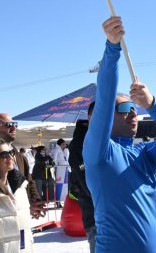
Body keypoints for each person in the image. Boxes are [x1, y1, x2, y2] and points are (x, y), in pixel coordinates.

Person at [83, 16, 156, 253]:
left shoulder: (144, 154)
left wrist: (153, 104)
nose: (132, 114)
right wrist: (112, 48)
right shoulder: (100, 153)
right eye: (125, 109)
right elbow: (105, 98)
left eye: (134, 109)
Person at [0, 113, 45, 218]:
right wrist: (27, 205)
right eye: (9, 124)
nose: (14, 127)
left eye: (15, 124)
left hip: (20, 220)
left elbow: (28, 180)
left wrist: (35, 201)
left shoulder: (19, 157)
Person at [67, 101, 97, 251]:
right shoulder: (80, 144)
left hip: (118, 217)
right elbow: (87, 184)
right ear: (91, 117)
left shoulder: (108, 137)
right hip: (97, 217)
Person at [50, 138, 70, 205]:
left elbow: (66, 160)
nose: (65, 145)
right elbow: (54, 160)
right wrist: (54, 170)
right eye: (63, 144)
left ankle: (63, 199)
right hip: (59, 170)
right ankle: (58, 201)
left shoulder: (65, 150)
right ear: (61, 144)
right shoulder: (57, 150)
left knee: (65, 186)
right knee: (59, 185)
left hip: (65, 169)